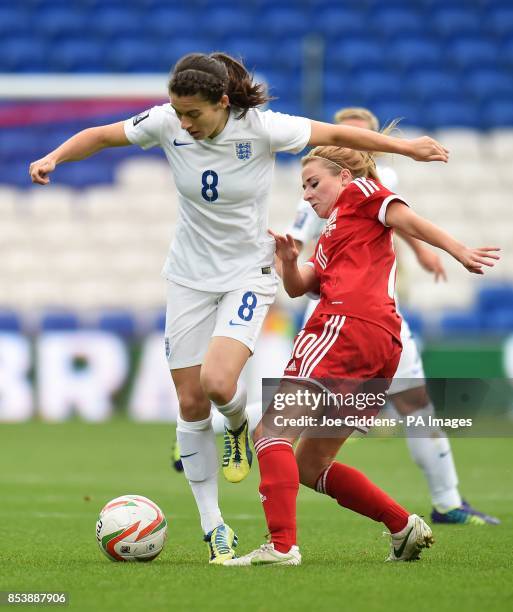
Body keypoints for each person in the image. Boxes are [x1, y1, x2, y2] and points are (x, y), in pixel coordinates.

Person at [28, 52, 449, 564]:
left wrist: (404, 148)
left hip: (247, 274)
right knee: (190, 404)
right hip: (186, 277)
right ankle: (215, 526)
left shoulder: (265, 127)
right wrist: (53, 157)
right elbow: (99, 135)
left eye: (194, 114)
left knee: (219, 385)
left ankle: (240, 433)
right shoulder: (166, 122)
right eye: (178, 113)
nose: (183, 123)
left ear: (222, 102)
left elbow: (341, 139)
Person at [225, 145, 499, 566]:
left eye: (314, 183)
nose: (307, 195)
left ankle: (280, 547)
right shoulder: (331, 234)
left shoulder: (361, 194)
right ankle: (402, 526)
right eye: (302, 187)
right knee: (311, 466)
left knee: (270, 432)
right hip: (381, 345)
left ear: (345, 178)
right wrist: (287, 262)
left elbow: (406, 218)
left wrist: (457, 249)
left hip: (344, 327)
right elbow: (301, 287)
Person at [287, 107, 499, 526]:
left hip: (377, 318)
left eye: (364, 140)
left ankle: (446, 502)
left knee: (412, 405)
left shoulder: (375, 185)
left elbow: (394, 217)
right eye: (347, 139)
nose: (359, 148)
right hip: (334, 318)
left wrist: (429, 251)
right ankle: (231, 424)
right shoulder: (320, 191)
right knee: (297, 418)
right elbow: (301, 243)